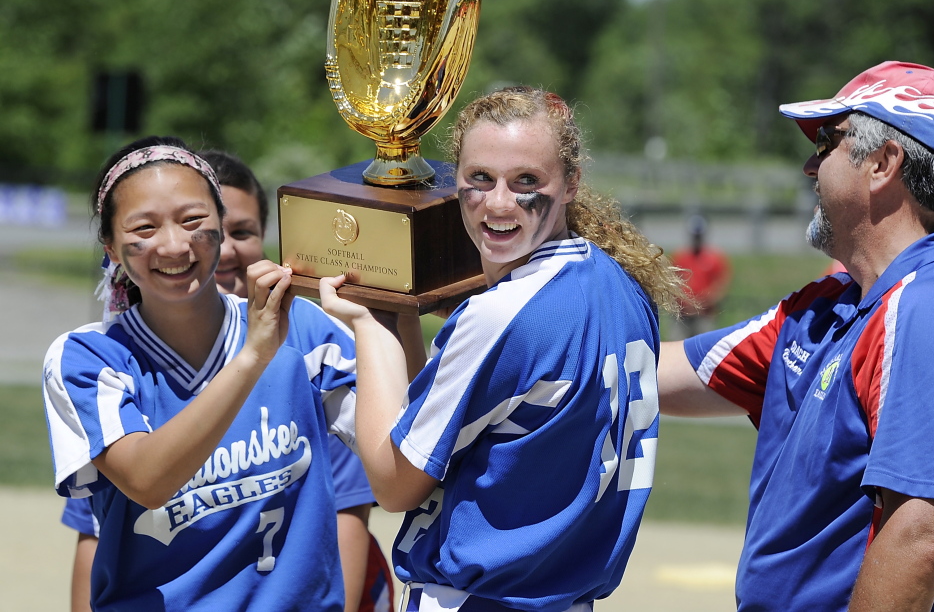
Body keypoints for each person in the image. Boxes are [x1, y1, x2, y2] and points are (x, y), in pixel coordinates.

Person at [319, 86, 685, 612]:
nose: (498, 203)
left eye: (526, 182)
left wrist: (369, 323)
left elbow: (396, 484)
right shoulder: (620, 283)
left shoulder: (503, 313)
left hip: (478, 598)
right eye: (479, 179)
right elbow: (442, 425)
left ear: (571, 183)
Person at [657, 61, 934, 610]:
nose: (809, 166)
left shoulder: (930, 309)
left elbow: (923, 536)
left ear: (884, 163)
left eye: (827, 141)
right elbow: (648, 373)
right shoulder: (832, 304)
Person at [58, 146, 394, 611]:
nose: (175, 245)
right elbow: (147, 480)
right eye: (144, 227)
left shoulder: (308, 331)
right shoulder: (90, 358)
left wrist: (399, 309)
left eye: (193, 219)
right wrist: (254, 354)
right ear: (112, 248)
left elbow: (404, 457)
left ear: (221, 222)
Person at [669, 214, 730, 338]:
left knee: (704, 349)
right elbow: (671, 282)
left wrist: (702, 303)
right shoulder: (680, 256)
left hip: (704, 315)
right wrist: (683, 302)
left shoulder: (714, 258)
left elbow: (720, 286)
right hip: (683, 314)